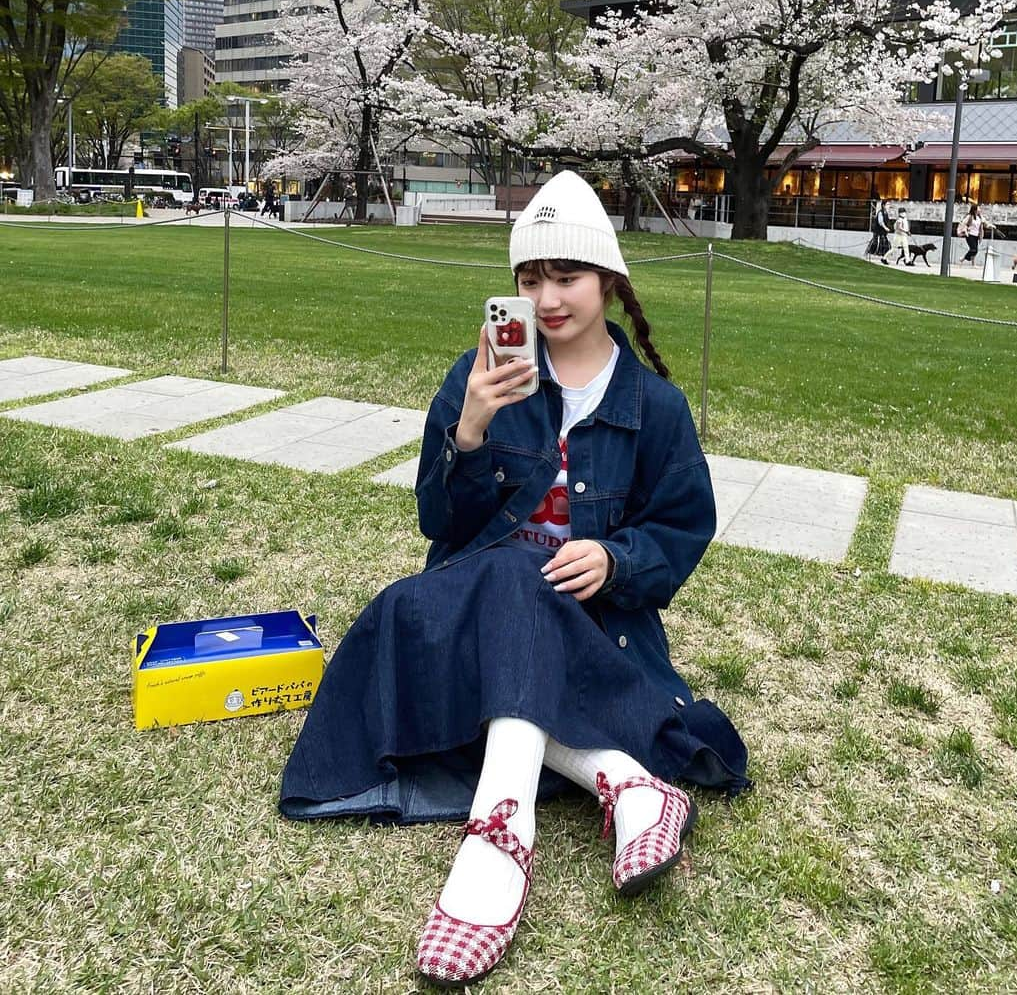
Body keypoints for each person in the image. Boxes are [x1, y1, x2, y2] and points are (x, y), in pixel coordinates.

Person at [278, 170, 750, 987]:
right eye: (530, 280)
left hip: (591, 623)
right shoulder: (480, 376)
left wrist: (614, 559)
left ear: (608, 279)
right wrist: (467, 431)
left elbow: (681, 529)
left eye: (566, 276)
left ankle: (498, 843)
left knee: (525, 585)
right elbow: (440, 524)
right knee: (470, 588)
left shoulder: (657, 408)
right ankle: (625, 781)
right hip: (481, 604)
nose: (549, 296)